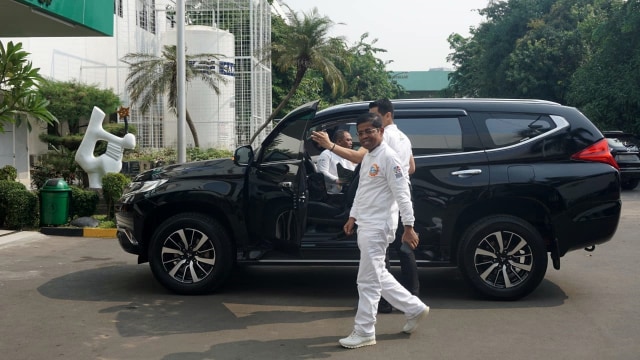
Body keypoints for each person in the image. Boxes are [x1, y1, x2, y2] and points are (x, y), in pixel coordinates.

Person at [310, 99, 419, 313]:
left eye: (375, 117)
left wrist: (330, 145)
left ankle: (392, 304)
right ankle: (412, 298)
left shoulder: (383, 139)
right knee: (401, 252)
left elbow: (359, 158)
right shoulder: (404, 138)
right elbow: (411, 168)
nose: (367, 131)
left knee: (377, 262)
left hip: (384, 206)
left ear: (386, 118)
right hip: (394, 200)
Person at [338, 112, 429, 349]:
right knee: (378, 274)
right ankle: (414, 308)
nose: (365, 136)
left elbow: (403, 194)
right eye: (361, 133)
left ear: (381, 131)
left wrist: (409, 227)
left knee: (366, 281)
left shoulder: (389, 157)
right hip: (365, 223)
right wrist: (353, 216)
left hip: (379, 227)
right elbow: (363, 190)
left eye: (370, 131)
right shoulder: (369, 155)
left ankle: (365, 331)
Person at [315, 129, 356, 194]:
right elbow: (322, 173)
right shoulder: (326, 154)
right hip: (332, 194)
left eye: (351, 140)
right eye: (348, 140)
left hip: (349, 191)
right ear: (339, 141)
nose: (351, 143)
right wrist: (338, 180)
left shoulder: (348, 155)